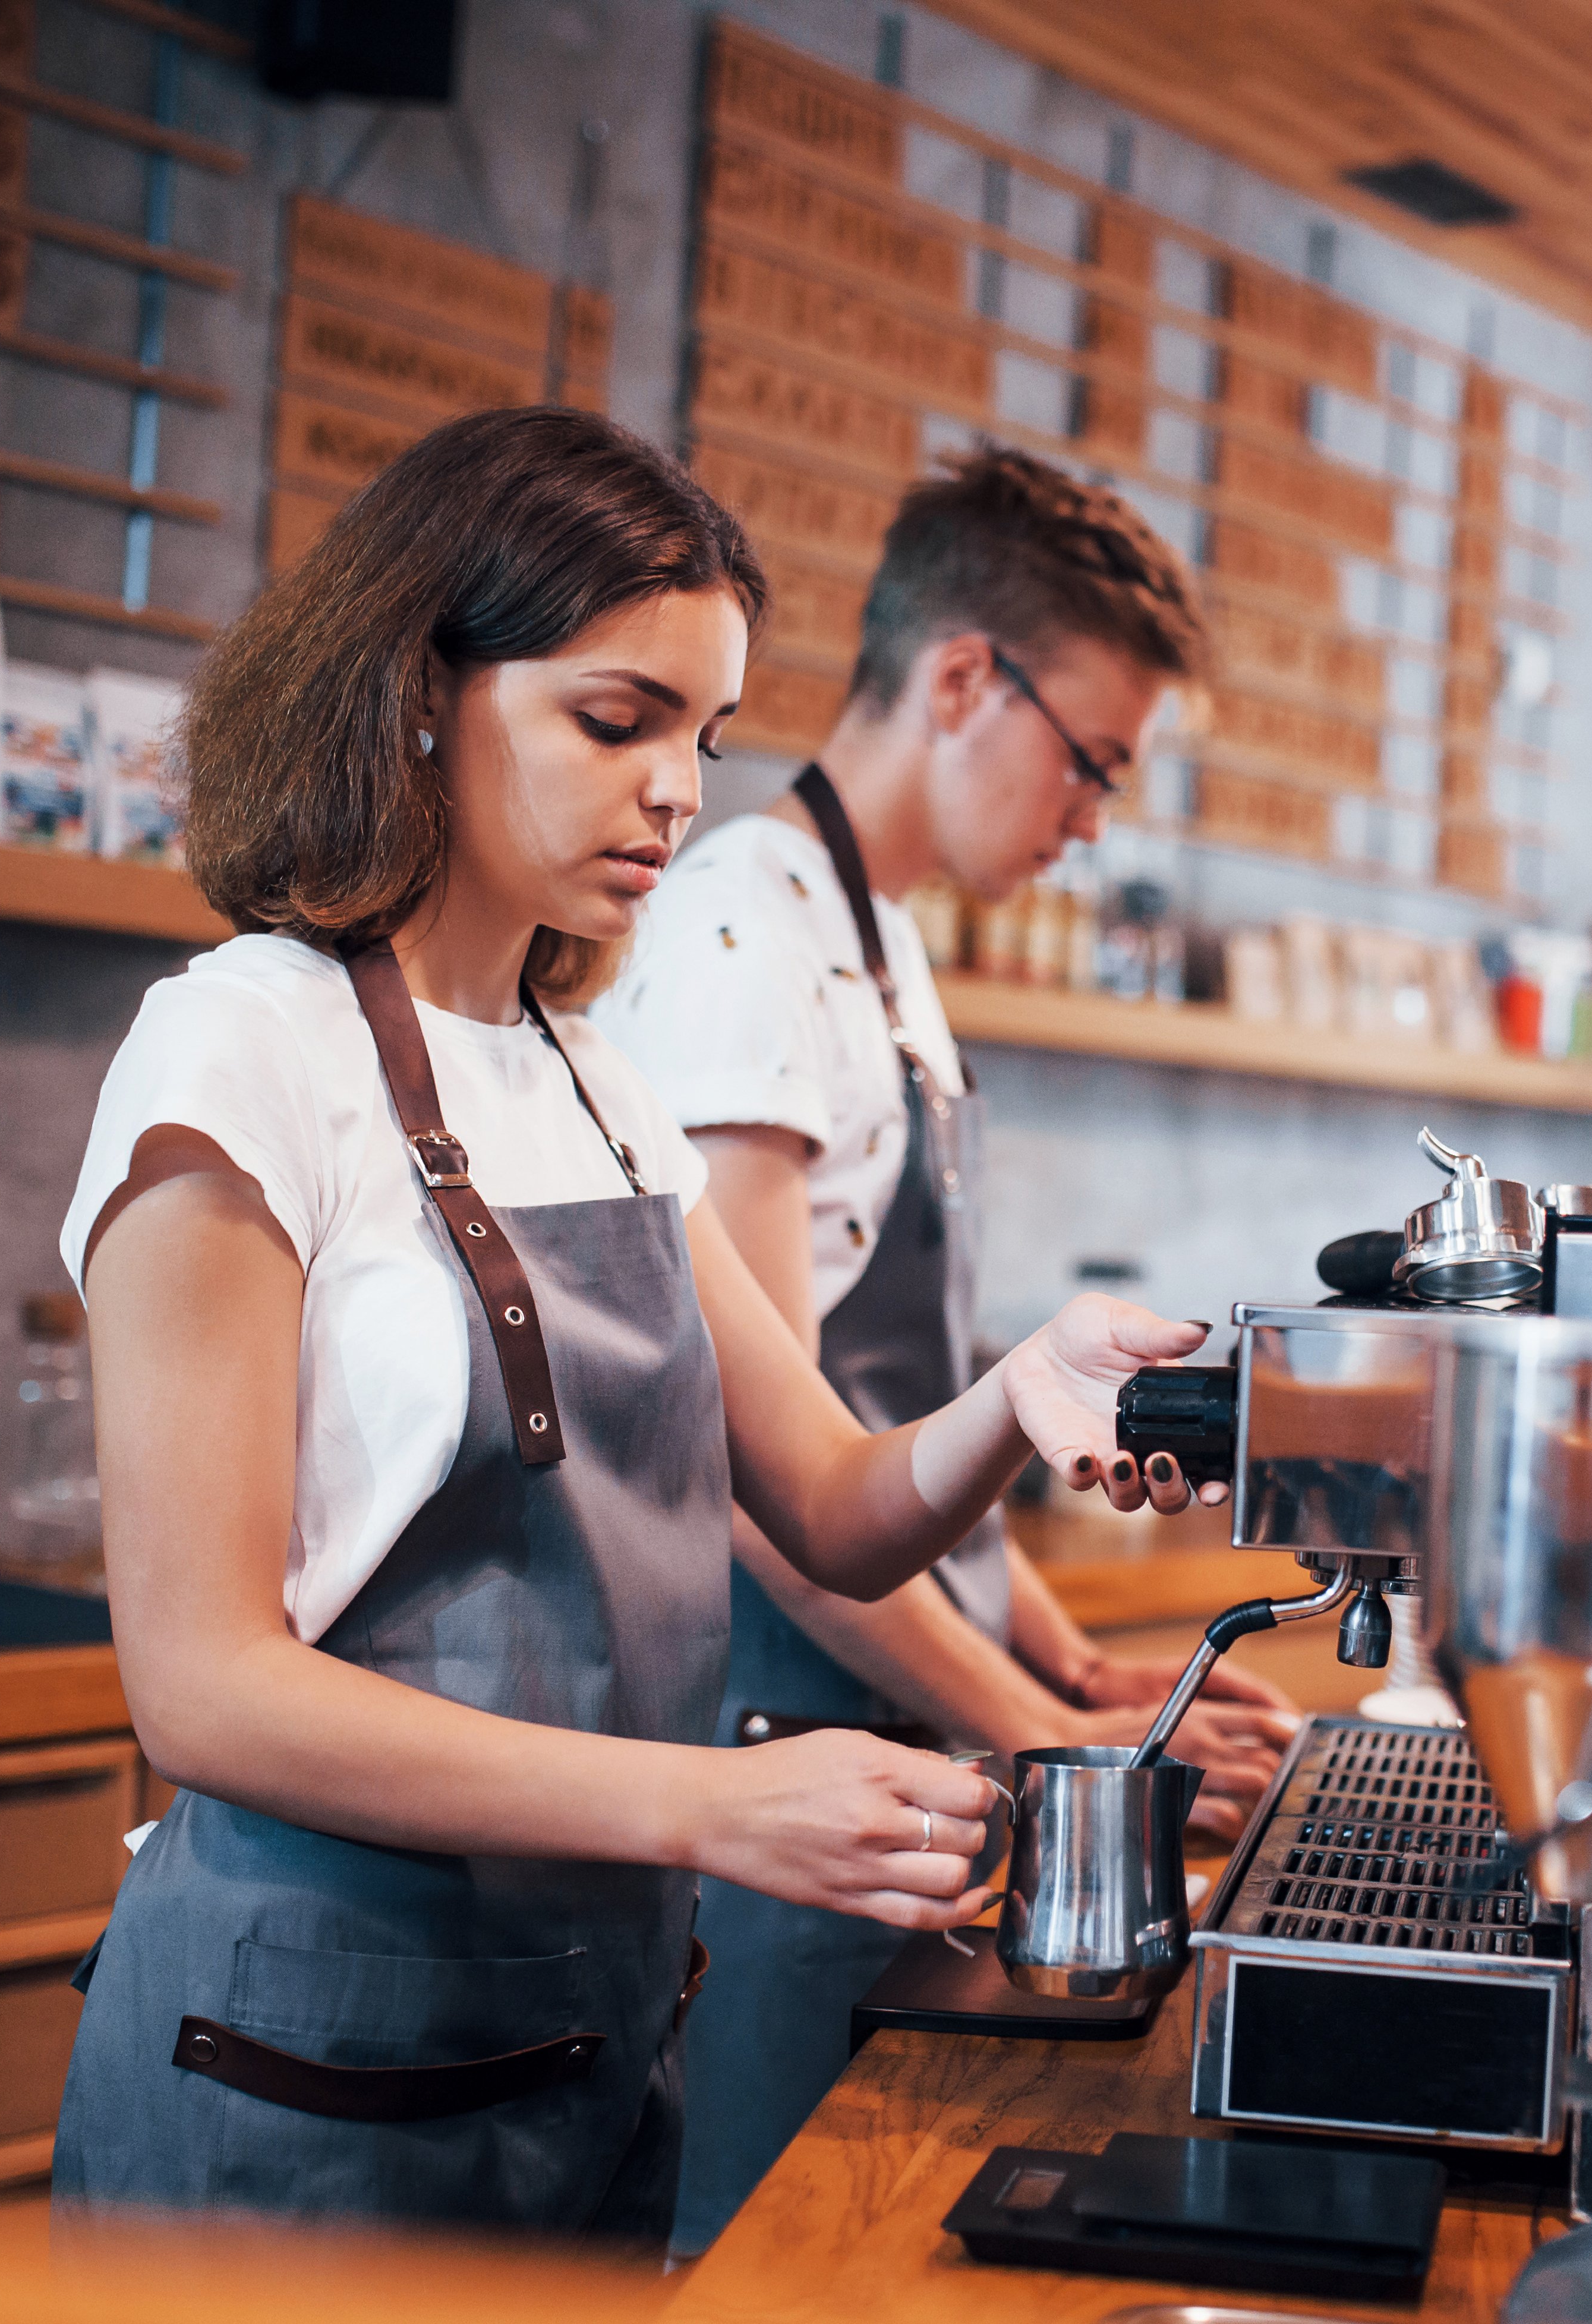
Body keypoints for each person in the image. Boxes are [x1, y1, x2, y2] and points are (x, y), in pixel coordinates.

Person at [48, 409, 1213, 2243]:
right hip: (302, 2070)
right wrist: (709, 1811)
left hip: (587, 2048)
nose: (679, 789)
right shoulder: (236, 1049)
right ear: (416, 690)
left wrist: (1019, 1392)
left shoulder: (594, 1086)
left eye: (706, 736)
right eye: (618, 720)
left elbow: (829, 1496)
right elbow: (200, 1686)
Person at [600, 447, 1299, 2256]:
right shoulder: (745, 923)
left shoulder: (886, 950)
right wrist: (1064, 1740)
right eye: (1096, 761)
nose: (1097, 819)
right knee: (774, 2258)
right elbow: (766, 1474)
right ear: (969, 679)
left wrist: (1089, 1686)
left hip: (916, 1743)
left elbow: (906, 1410)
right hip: (798, 1739)